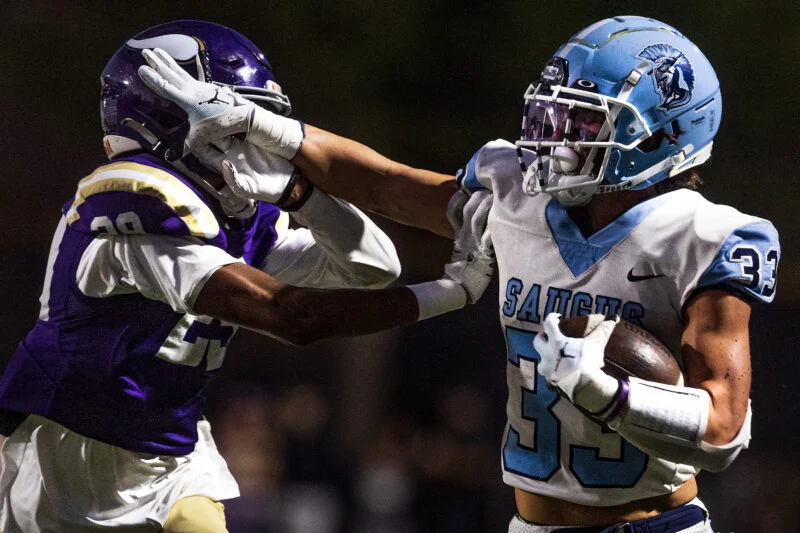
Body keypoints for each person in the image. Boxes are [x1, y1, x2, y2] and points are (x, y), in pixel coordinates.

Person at [144, 15, 781, 533]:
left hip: (653, 527)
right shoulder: (519, 196)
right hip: (529, 524)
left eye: (585, 125)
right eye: (555, 118)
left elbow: (722, 430)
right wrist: (266, 128)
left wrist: (608, 393)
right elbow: (388, 184)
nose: (554, 141)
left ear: (663, 138)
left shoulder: (705, 238)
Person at [0, 20, 496, 533]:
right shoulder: (131, 199)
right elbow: (292, 315)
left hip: (172, 462)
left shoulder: (234, 209)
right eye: (238, 121)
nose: (254, 136)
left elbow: (372, 268)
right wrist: (451, 292)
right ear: (166, 120)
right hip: (65, 460)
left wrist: (301, 196)